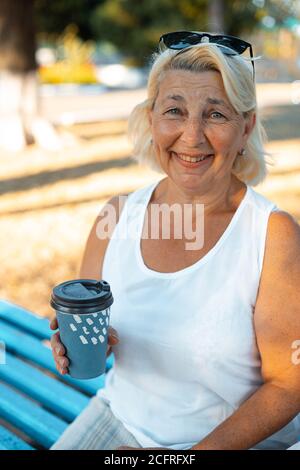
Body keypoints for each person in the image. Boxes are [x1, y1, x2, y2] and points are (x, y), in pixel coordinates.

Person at [50, 31, 300, 450]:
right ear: (152, 120)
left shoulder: (272, 236)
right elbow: (95, 328)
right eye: (174, 111)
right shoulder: (116, 217)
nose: (191, 135)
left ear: (246, 127)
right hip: (122, 419)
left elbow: (289, 383)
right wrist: (76, 343)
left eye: (216, 114)